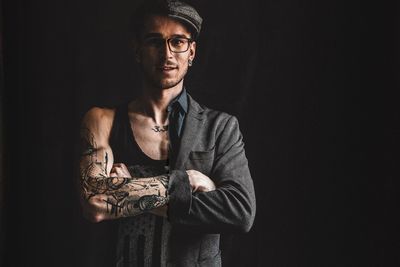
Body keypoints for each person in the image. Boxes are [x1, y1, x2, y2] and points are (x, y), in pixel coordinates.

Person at [78, 0, 256, 266]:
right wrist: (188, 181)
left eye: (178, 42)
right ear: (137, 50)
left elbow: (240, 212)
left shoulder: (220, 127)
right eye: (154, 41)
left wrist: (127, 189)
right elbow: (95, 202)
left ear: (191, 52)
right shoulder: (103, 120)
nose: (167, 53)